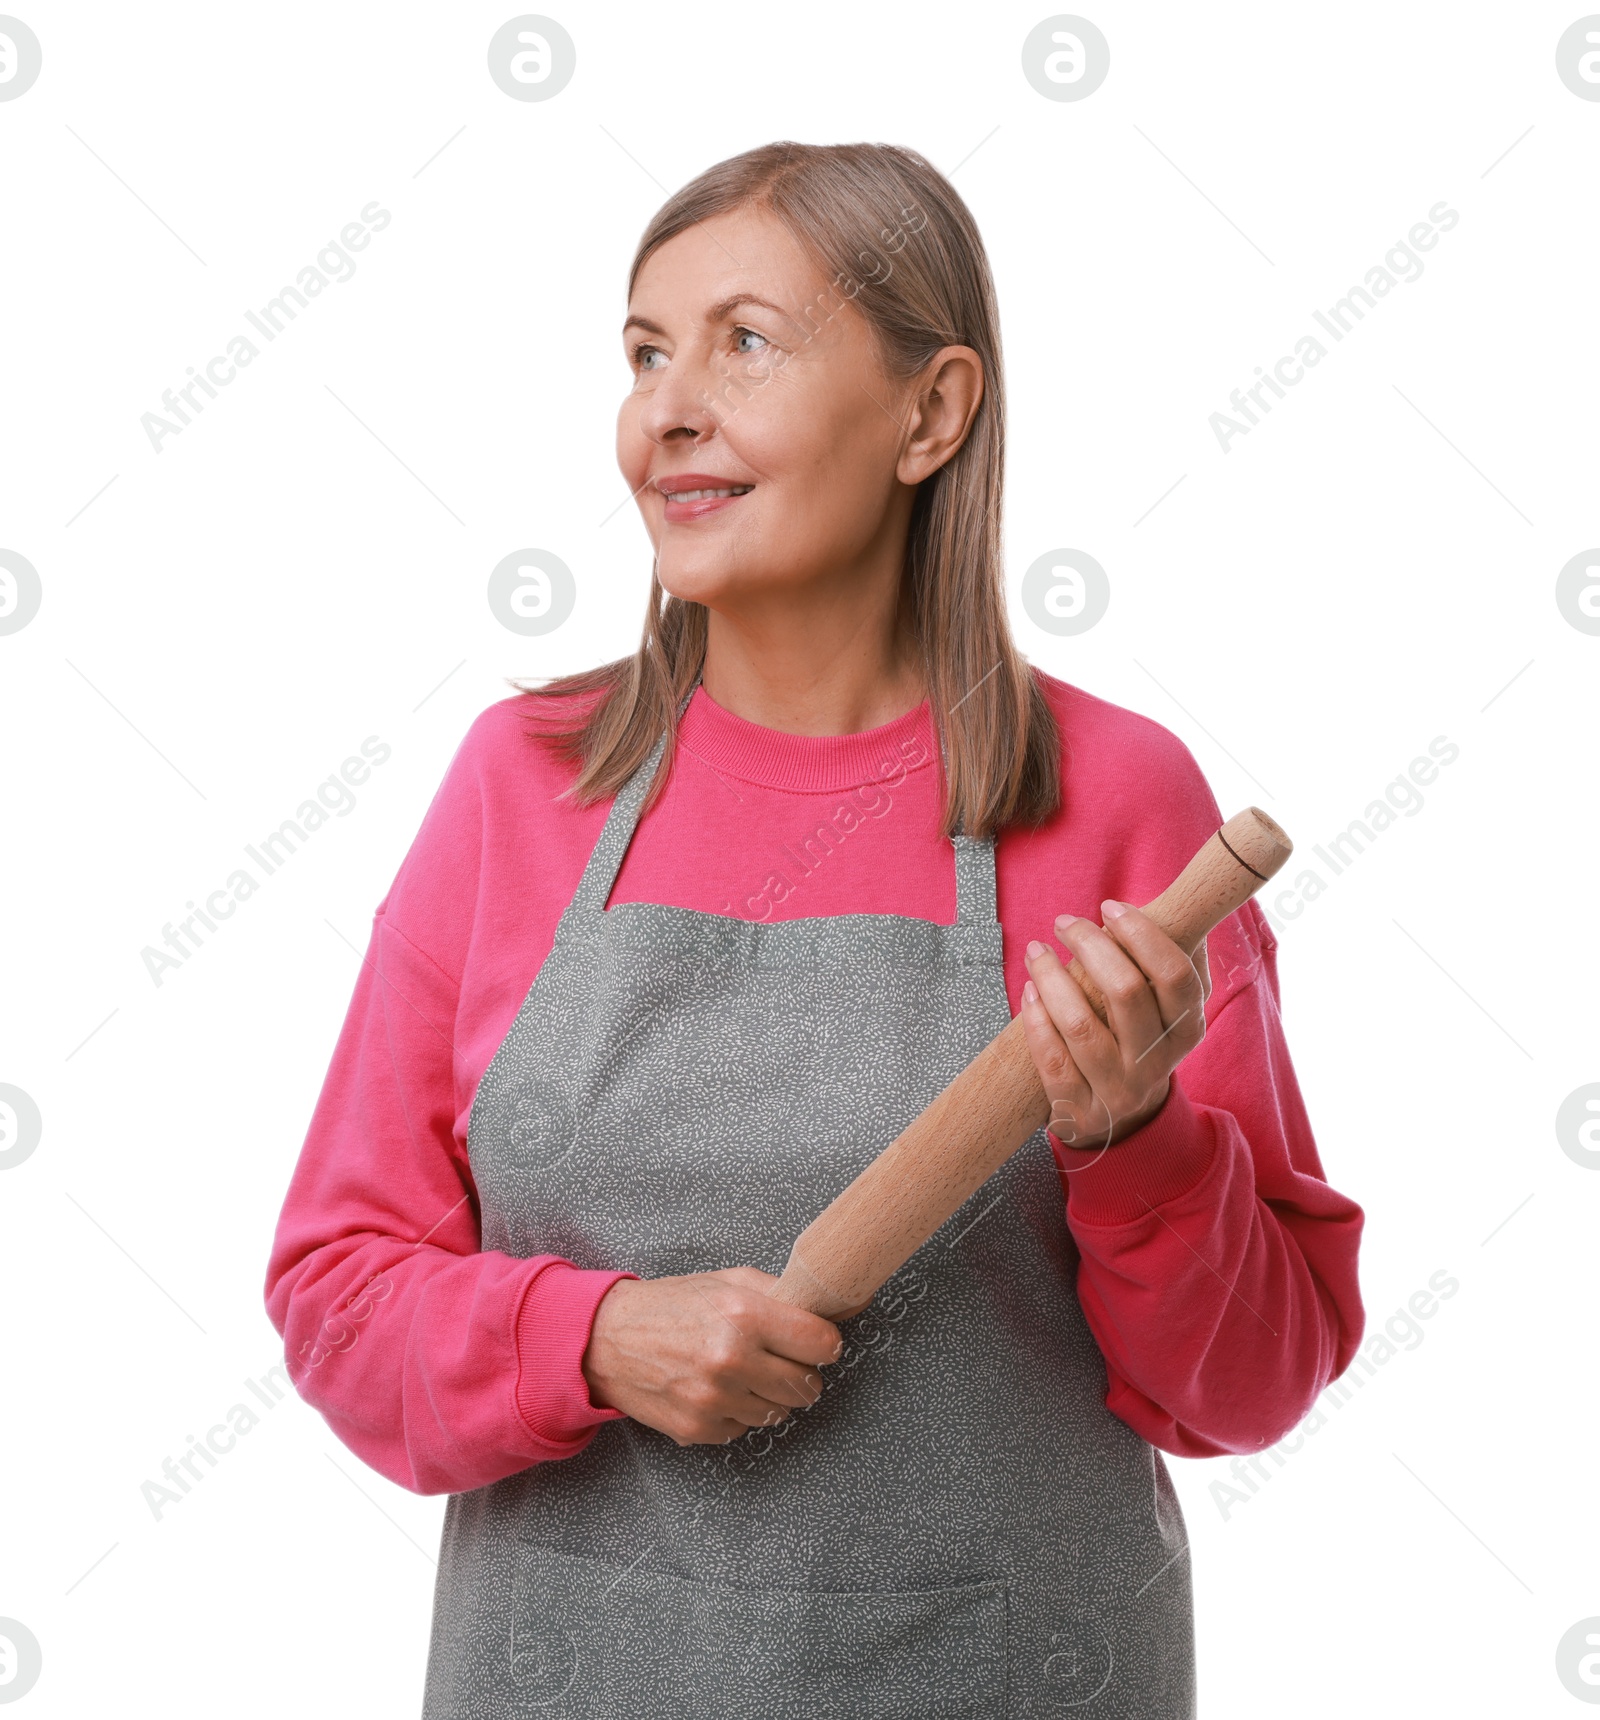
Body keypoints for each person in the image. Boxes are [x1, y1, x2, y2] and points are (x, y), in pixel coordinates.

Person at [265, 140, 1365, 1719]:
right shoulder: (528, 786)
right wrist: (592, 1337)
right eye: (646, 353)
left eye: (745, 342)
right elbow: (339, 1290)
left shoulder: (1117, 799)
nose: (669, 408)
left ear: (932, 413)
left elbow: (1250, 1385)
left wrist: (1138, 1140)